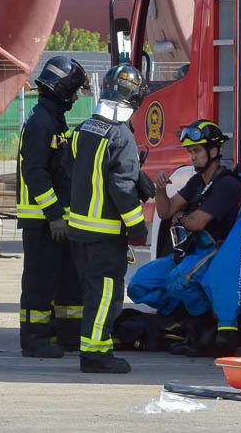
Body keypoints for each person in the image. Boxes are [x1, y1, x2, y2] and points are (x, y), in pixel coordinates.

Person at [127, 120, 241, 357]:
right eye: (190, 152)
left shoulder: (227, 185)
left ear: (213, 152)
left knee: (178, 281)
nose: (192, 157)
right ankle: (186, 324)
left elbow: (196, 222)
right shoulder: (197, 182)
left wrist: (181, 216)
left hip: (216, 253)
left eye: (197, 151)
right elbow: (165, 212)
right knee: (139, 284)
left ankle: (205, 329)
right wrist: (160, 189)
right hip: (193, 252)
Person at [67, 64, 151, 373]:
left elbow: (72, 169)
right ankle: (95, 355)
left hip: (79, 231)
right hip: (105, 235)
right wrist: (137, 226)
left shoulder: (84, 129)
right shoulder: (122, 137)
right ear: (136, 99)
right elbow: (120, 186)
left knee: (93, 294)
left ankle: (98, 346)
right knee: (107, 295)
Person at [17, 56, 88, 358]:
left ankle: (69, 336)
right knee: (41, 282)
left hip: (58, 221)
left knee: (69, 282)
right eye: (74, 91)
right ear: (62, 90)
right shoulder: (40, 123)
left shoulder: (52, 119)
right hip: (43, 222)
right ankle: (34, 340)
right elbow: (35, 172)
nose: (75, 98)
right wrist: (55, 216)